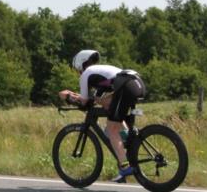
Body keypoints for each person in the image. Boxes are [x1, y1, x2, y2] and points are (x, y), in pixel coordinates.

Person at [59, 50, 146, 183]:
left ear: (80, 64)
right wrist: (85, 98)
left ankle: (125, 167)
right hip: (136, 83)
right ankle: (127, 139)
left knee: (111, 130)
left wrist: (68, 96)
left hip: (126, 86)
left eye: (77, 70)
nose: (78, 73)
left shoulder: (87, 74)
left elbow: (84, 102)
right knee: (107, 105)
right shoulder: (100, 73)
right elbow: (96, 99)